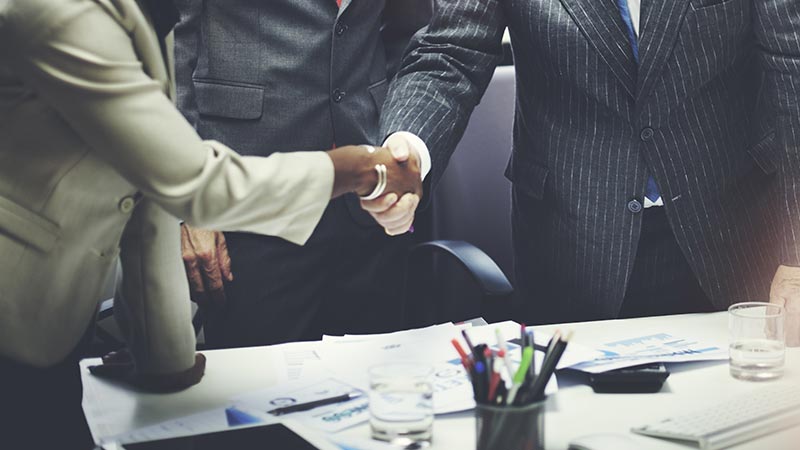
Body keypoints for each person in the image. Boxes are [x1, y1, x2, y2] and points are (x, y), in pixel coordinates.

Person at [0, 0, 421, 448]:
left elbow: (150, 189)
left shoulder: (134, 16)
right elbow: (192, 184)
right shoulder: (57, 14)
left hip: (60, 303)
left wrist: (165, 360)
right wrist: (352, 170)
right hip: (17, 301)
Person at [377, 0, 800, 339]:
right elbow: (451, 52)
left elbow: (792, 67)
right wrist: (410, 152)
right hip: (573, 248)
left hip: (735, 244)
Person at [174, 0, 433, 348]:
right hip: (248, 201)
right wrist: (189, 205)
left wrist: (394, 141)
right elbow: (169, 49)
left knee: (375, 384)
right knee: (257, 392)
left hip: (370, 202)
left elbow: (413, 37)